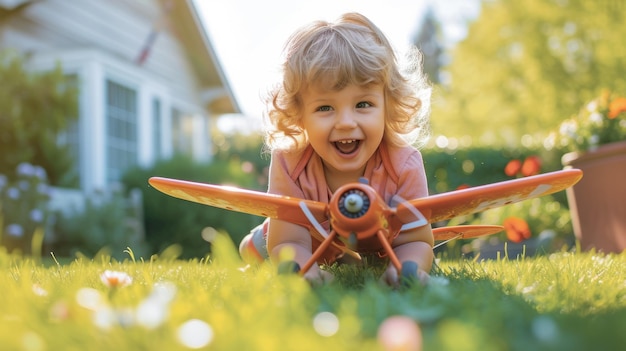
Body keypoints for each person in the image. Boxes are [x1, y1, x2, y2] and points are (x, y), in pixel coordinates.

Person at [239, 12, 433, 286]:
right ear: (299, 114)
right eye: (325, 108)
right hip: (307, 235)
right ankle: (258, 241)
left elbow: (415, 239)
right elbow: (289, 239)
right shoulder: (289, 163)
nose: (345, 122)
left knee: (381, 259)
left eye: (363, 104)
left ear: (388, 105)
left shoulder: (405, 164)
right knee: (258, 248)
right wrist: (301, 268)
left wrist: (409, 267)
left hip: (376, 238)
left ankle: (346, 254)